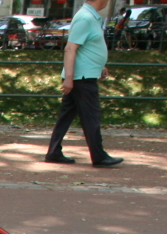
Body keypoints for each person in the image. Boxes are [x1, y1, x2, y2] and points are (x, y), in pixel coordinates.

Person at [44, 0, 122, 167]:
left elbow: (89, 47)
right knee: (91, 117)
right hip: (81, 78)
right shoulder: (85, 18)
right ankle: (99, 156)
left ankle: (54, 152)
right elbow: (70, 48)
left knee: (66, 117)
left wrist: (100, 65)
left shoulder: (91, 17)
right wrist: (69, 78)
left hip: (83, 75)